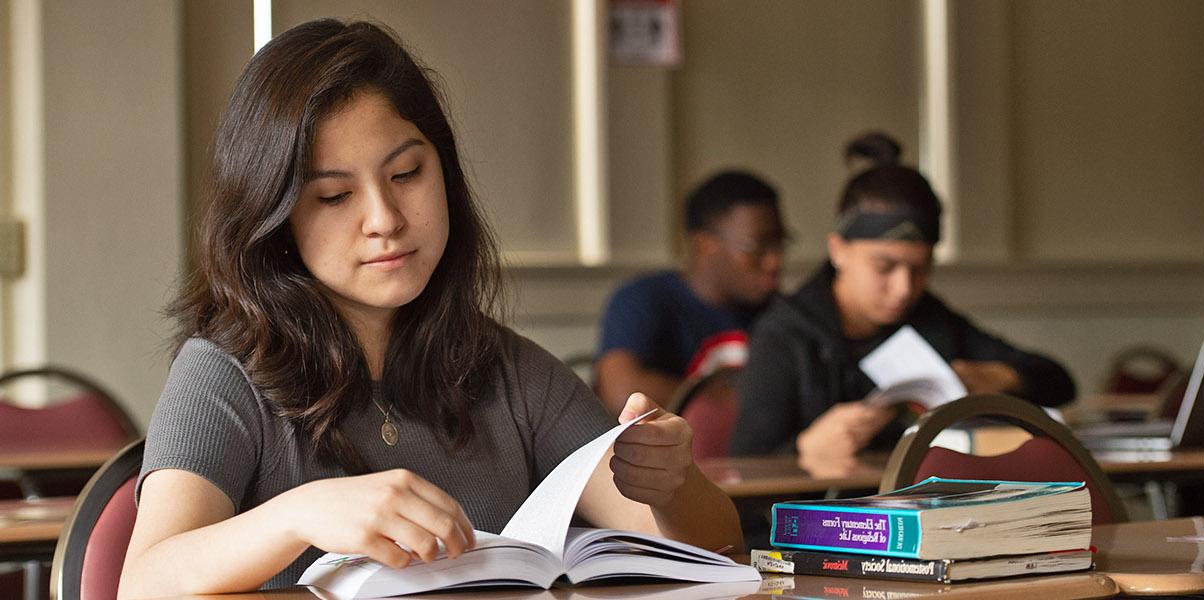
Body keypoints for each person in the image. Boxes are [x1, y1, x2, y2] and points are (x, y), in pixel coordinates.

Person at [119, 19, 740, 596]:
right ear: (276, 219)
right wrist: (299, 513)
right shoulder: (224, 373)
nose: (385, 220)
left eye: (407, 173)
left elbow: (719, 549)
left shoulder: (507, 369)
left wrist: (673, 481)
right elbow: (141, 582)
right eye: (335, 196)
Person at [730, 132, 1075, 460]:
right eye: (884, 267)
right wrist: (805, 449)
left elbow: (1058, 380)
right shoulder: (784, 335)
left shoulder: (928, 317)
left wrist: (999, 377)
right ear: (838, 250)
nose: (904, 288)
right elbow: (742, 469)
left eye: (920, 269)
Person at [594, 171, 787, 414]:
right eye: (756, 247)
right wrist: (737, 403)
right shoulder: (643, 299)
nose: (774, 261)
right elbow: (621, 391)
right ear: (705, 245)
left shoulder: (784, 312)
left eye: (780, 244)